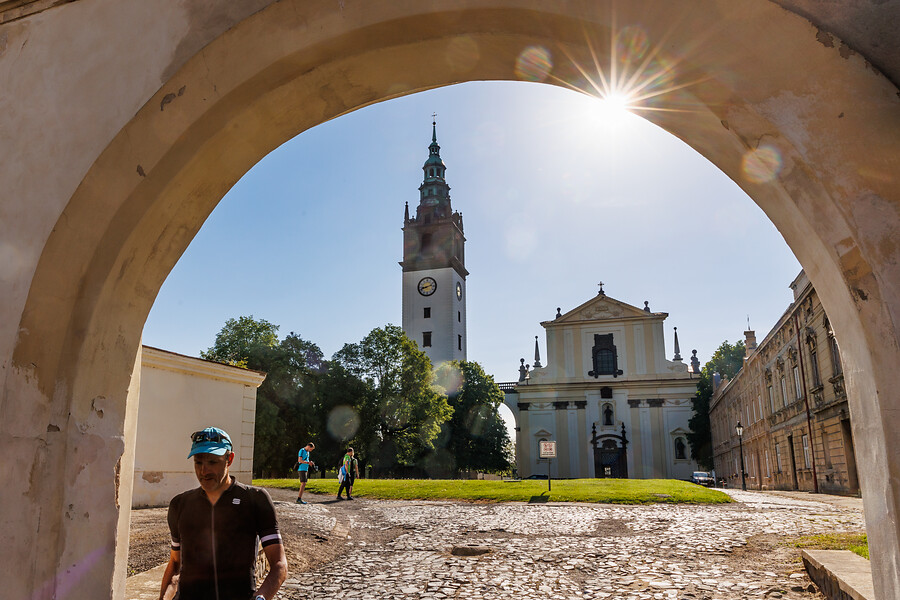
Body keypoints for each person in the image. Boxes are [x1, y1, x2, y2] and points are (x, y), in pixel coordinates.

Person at [159, 426, 287, 600]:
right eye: (198, 462)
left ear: (230, 459)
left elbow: (279, 564)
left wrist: (261, 597)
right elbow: (175, 564)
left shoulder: (255, 499)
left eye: (212, 462)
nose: (204, 471)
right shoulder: (180, 504)